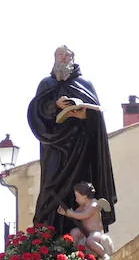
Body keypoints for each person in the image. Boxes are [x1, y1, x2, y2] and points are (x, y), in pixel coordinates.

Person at [26, 45, 118, 230]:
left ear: (72, 59)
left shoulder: (85, 84)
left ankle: (81, 235)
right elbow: (37, 112)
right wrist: (55, 105)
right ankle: (48, 235)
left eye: (67, 56)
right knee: (51, 187)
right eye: (59, 55)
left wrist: (84, 116)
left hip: (80, 146)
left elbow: (96, 119)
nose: (63, 58)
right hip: (55, 146)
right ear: (54, 58)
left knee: (80, 186)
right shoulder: (46, 84)